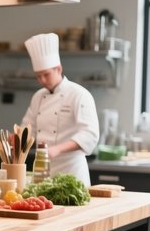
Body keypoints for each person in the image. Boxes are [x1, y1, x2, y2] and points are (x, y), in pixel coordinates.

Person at [21, 32, 99, 187]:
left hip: (72, 174)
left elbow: (89, 135)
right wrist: (17, 139)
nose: (42, 80)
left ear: (58, 69)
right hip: (43, 174)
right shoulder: (38, 97)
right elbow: (28, 129)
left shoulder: (79, 94)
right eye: (38, 76)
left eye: (46, 75)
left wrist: (57, 149)